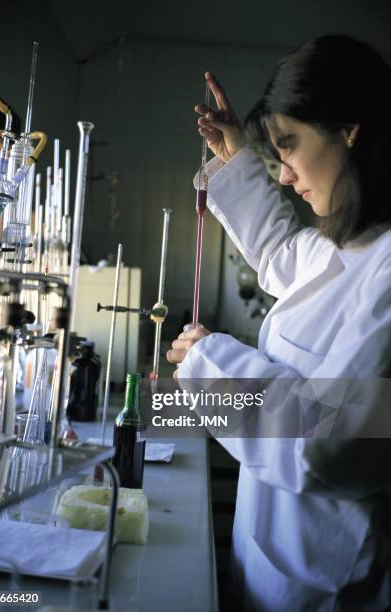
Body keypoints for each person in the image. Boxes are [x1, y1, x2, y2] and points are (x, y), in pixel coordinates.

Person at [166, 35, 391, 611]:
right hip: (270, 568)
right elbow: (279, 254)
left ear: (349, 130)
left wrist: (208, 362)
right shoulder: (351, 246)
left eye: (289, 146)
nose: (285, 175)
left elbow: (328, 440)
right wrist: (239, 156)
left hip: (327, 591)